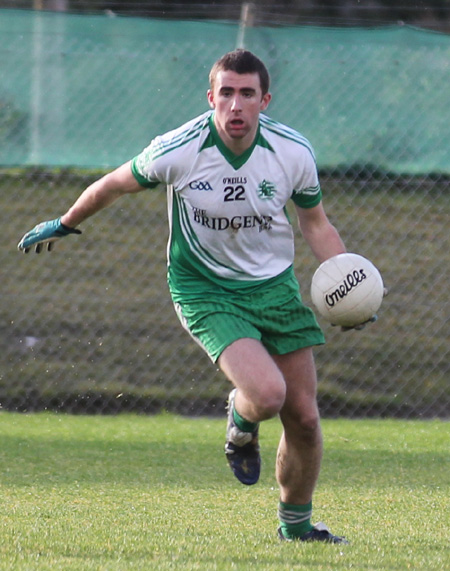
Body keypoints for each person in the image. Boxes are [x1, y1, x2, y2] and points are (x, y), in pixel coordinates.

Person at [18, 49, 365, 543]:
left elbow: (316, 223)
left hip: (274, 287)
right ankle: (242, 416)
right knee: (267, 395)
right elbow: (114, 184)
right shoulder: (179, 148)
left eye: (247, 94)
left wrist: (346, 281)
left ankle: (297, 528)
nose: (236, 105)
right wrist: (66, 222)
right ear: (211, 98)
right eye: (226, 93)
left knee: (305, 419)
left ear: (265, 100)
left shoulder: (292, 152)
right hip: (204, 289)